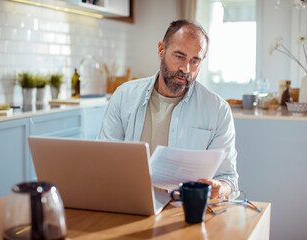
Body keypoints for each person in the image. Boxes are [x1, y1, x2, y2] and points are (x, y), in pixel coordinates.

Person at [98, 20, 238, 199]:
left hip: (182, 212)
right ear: (161, 50)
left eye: (195, 61)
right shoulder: (124, 95)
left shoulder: (218, 110)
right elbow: (104, 160)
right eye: (179, 56)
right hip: (129, 203)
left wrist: (219, 189)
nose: (186, 69)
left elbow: (229, 179)